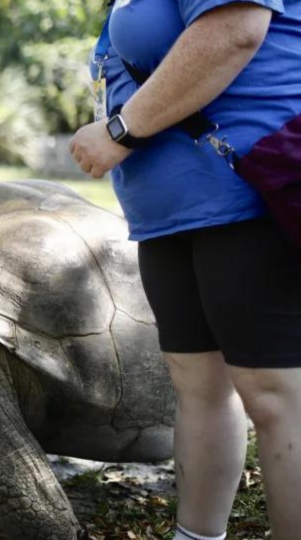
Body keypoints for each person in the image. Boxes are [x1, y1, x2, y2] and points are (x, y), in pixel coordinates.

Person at [69, 2, 301, 539]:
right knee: (197, 384)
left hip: (248, 197)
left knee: (273, 393)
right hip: (173, 215)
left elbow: (235, 30)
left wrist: (119, 130)